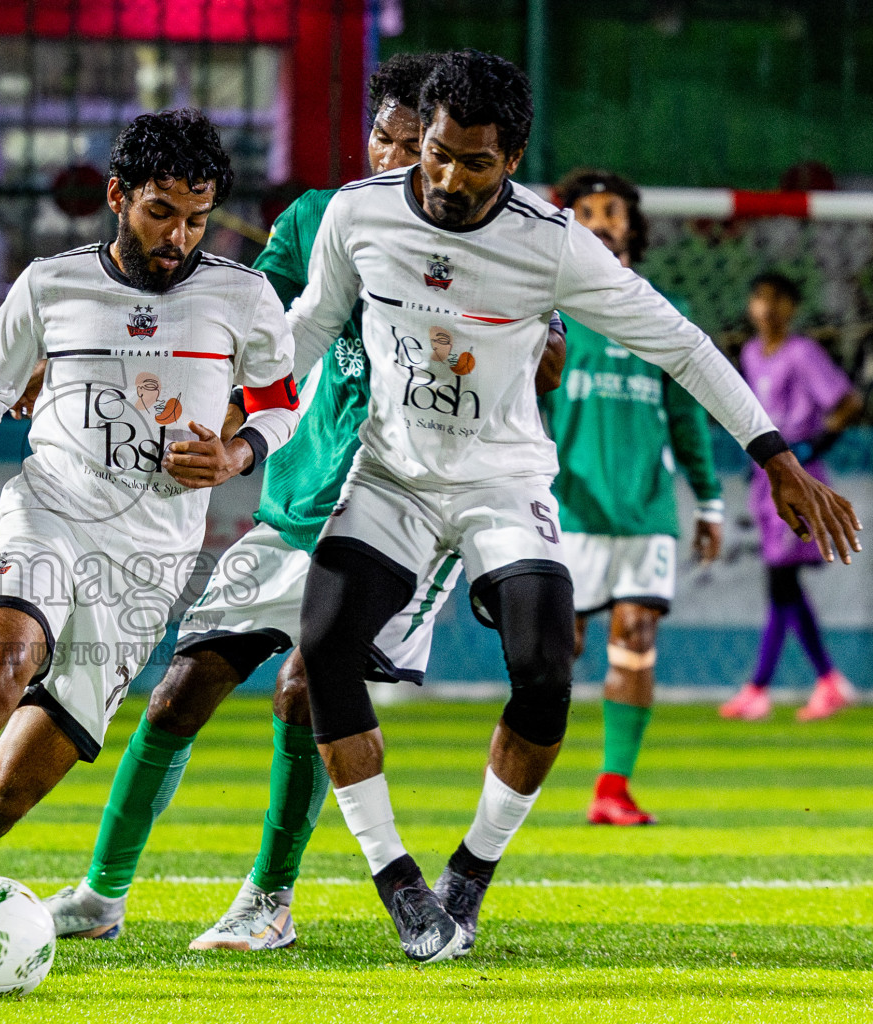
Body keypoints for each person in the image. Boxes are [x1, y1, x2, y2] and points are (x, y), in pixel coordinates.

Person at [285, 49, 859, 963]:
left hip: (503, 483)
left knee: (547, 667)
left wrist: (776, 458)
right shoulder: (359, 215)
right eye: (436, 152)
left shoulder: (550, 242)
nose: (447, 176)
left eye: (475, 161)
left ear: (511, 158)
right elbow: (307, 326)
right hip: (389, 478)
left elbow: (683, 346)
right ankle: (399, 882)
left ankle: (469, 875)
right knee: (322, 649)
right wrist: (222, 397)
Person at [43, 52, 567, 952]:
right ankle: (102, 892)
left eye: (413, 146)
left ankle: (268, 900)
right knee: (178, 694)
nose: (393, 158)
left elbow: (534, 351)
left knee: (301, 693)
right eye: (382, 138)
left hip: (399, 508)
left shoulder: (489, 234)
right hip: (297, 497)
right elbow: (245, 320)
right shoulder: (325, 219)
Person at [0, 109, 302, 968]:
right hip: (49, 513)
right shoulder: (50, 284)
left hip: (147, 566)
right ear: (117, 197)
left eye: (198, 218)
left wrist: (239, 449)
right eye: (161, 212)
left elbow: (282, 403)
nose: (179, 237)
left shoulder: (242, 297)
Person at [540, 169, 724, 826]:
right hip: (572, 509)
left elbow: (688, 413)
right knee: (557, 650)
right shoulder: (548, 311)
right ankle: (521, 776)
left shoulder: (664, 311)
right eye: (586, 211)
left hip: (646, 510)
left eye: (613, 210)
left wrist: (709, 501)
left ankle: (612, 788)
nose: (601, 220)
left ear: (632, 225)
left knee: (636, 637)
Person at [720, 273, 864, 721]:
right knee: (785, 585)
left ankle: (759, 686)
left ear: (792, 307)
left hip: (797, 477)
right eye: (760, 298)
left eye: (778, 300)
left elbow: (847, 403)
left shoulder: (802, 353)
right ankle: (828, 681)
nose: (767, 308)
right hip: (766, 476)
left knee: (780, 581)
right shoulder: (749, 353)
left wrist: (811, 447)